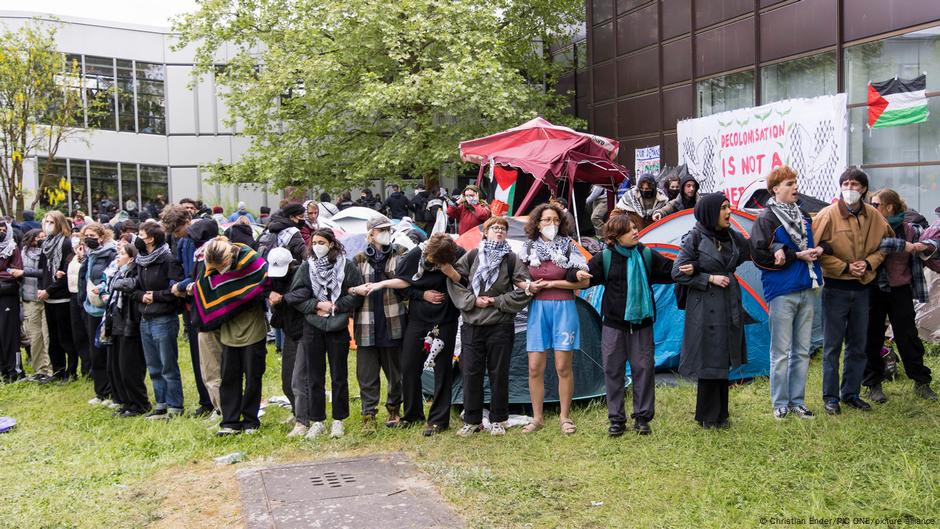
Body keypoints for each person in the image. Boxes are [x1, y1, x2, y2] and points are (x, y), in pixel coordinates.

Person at [573, 212, 676, 435]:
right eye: (629, 229)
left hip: (642, 324)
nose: (635, 231)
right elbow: (586, 276)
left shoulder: (647, 255)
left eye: (635, 228)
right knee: (613, 371)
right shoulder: (606, 258)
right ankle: (616, 419)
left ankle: (642, 418)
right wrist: (575, 274)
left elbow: (670, 271)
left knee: (644, 370)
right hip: (613, 324)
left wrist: (688, 266)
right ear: (617, 235)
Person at [812, 167, 891, 415]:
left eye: (855, 184)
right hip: (835, 289)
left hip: (863, 289)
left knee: (858, 345)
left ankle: (851, 393)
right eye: (845, 183)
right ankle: (830, 397)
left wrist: (868, 264)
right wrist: (845, 267)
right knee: (833, 346)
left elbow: (886, 245)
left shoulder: (875, 217)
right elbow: (815, 253)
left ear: (864, 189)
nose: (850, 188)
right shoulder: (827, 215)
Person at [367, 233, 465, 436]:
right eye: (430, 258)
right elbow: (402, 285)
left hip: (445, 318)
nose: (430, 262)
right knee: (409, 366)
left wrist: (451, 272)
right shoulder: (416, 255)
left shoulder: (458, 255)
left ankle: (438, 420)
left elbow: (467, 283)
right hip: (419, 318)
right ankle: (412, 415)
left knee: (442, 369)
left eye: (435, 261)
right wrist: (422, 295)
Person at [749, 166, 824, 419]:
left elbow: (806, 245)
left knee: (802, 350)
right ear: (775, 189)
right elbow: (757, 253)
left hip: (807, 285)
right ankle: (779, 403)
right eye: (790, 183)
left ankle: (797, 401)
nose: (795, 187)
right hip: (782, 290)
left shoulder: (803, 215)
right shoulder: (766, 218)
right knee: (780, 351)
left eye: (796, 182)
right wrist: (793, 255)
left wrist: (817, 251)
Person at [672, 193, 752, 429]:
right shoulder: (694, 237)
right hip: (705, 307)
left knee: (724, 355)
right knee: (709, 359)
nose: (729, 212)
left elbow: (750, 250)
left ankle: (721, 413)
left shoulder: (730, 236)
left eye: (729, 207)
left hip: (728, 302)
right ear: (710, 212)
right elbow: (677, 272)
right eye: (723, 208)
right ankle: (707, 416)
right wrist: (708, 277)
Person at [447, 217, 531, 437]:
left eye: (503, 229)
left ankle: (498, 419)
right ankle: (472, 420)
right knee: (471, 372)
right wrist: (472, 301)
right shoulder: (473, 256)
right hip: (472, 324)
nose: (499, 231)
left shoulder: (512, 259)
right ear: (486, 232)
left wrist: (498, 301)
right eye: (495, 228)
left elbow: (526, 289)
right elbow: (455, 281)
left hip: (501, 325)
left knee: (499, 372)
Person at [517, 204, 589, 435]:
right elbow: (517, 279)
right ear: (537, 223)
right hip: (537, 309)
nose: (552, 224)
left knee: (562, 366)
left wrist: (553, 284)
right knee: (535, 367)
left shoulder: (569, 246)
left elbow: (584, 282)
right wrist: (529, 285)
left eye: (556, 220)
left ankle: (565, 416)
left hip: (565, 308)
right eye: (547, 220)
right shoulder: (527, 248)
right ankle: (537, 418)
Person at [286, 228, 364, 440]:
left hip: (337, 326)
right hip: (313, 326)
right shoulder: (306, 267)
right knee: (314, 376)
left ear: (331, 243)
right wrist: (316, 304)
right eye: (315, 242)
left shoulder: (346, 266)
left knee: (339, 375)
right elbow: (296, 297)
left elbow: (357, 294)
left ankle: (339, 419)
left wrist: (337, 306)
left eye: (322, 242)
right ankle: (317, 420)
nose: (318, 246)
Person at [863, 189, 938, 402]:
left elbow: (930, 241)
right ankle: (873, 384)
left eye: (876, 205)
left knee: (908, 337)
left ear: (890, 207)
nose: (872, 208)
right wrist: (906, 246)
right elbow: (875, 245)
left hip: (900, 291)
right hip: (874, 289)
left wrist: (928, 245)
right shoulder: (869, 228)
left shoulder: (909, 229)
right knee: (873, 337)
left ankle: (921, 382)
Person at [195, 237, 270, 436]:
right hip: (227, 328)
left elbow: (264, 283)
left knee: (253, 375)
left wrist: (242, 297)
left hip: (252, 325)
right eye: (217, 268)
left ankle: (250, 420)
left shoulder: (252, 261)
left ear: (228, 256)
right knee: (229, 376)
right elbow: (205, 289)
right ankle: (230, 421)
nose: (220, 272)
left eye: (223, 266)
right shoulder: (210, 265)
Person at [349, 215, 408, 432]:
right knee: (366, 374)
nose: (386, 232)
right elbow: (346, 287)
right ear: (371, 233)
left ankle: (394, 409)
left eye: (388, 229)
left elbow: (409, 281)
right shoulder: (358, 259)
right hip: (366, 322)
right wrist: (357, 289)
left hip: (393, 321)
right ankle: (369, 415)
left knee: (396, 372)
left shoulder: (401, 252)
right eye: (381, 229)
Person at [257, 203, 308, 435]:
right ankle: (297, 412)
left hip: (303, 324)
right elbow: (263, 286)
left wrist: (283, 298)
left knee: (300, 375)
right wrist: (270, 294)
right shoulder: (273, 267)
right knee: (288, 375)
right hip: (287, 324)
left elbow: (305, 293)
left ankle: (304, 417)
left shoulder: (301, 272)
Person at [134, 220, 184, 419]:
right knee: (153, 365)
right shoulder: (141, 260)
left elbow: (175, 290)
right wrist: (140, 296)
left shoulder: (168, 259)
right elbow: (135, 287)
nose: (137, 238)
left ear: (151, 238)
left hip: (164, 317)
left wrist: (155, 296)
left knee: (168, 365)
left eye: (141, 234)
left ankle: (175, 405)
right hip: (145, 316)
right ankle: (161, 404)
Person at [104, 241, 151, 417]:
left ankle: (139, 403)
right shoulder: (118, 272)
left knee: (129, 366)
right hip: (116, 321)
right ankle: (126, 402)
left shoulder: (135, 271)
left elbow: (129, 285)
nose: (118, 257)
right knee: (117, 365)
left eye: (122, 254)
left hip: (130, 323)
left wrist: (117, 282)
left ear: (131, 258)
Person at [184, 219, 225, 417]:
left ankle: (222, 410)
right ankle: (218, 407)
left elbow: (208, 286)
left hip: (208, 319)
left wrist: (191, 287)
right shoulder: (201, 255)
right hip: (204, 318)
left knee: (212, 369)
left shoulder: (210, 256)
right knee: (209, 368)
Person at [78, 223, 117, 406]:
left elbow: (108, 279)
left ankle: (111, 391)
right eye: (86, 235)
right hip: (90, 308)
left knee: (106, 351)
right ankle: (100, 391)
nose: (89, 238)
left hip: (105, 309)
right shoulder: (89, 255)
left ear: (101, 236)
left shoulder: (111, 253)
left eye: (92, 235)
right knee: (95, 353)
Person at [38, 211, 75, 381]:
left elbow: (65, 272)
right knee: (53, 337)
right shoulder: (46, 243)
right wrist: (42, 289)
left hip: (62, 296)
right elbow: (43, 270)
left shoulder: (66, 243)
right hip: (48, 296)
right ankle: (58, 370)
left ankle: (71, 370)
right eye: (46, 222)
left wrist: (50, 289)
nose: (47, 225)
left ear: (59, 223)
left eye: (51, 222)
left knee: (65, 336)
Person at [19, 229, 52, 382]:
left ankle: (51, 368)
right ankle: (41, 369)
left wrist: (24, 272)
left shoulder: (49, 252)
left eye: (44, 237)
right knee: (34, 335)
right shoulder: (22, 252)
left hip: (45, 297)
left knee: (47, 335)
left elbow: (46, 272)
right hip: (29, 297)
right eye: (39, 237)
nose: (41, 240)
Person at [0, 220, 23, 382]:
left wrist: (6, 272)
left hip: (8, 296)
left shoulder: (13, 248)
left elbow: (16, 272)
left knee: (9, 333)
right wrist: (5, 271)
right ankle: (2, 369)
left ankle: (13, 370)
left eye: (2, 229)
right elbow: (8, 271)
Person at [66, 230, 89, 380]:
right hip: (73, 296)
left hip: (86, 296)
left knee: (87, 332)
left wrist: (83, 258)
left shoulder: (88, 257)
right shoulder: (72, 258)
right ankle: (84, 367)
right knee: (78, 334)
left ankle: (90, 367)